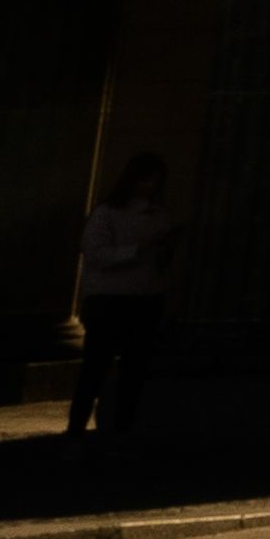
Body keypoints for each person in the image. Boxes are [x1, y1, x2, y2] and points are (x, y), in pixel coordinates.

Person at [65, 149, 171, 445]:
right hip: (110, 301)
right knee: (95, 370)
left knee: (131, 373)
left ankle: (118, 433)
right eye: (147, 181)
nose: (151, 187)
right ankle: (76, 432)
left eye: (156, 181)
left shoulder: (159, 216)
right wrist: (137, 250)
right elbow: (96, 254)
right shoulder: (107, 214)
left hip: (143, 299)